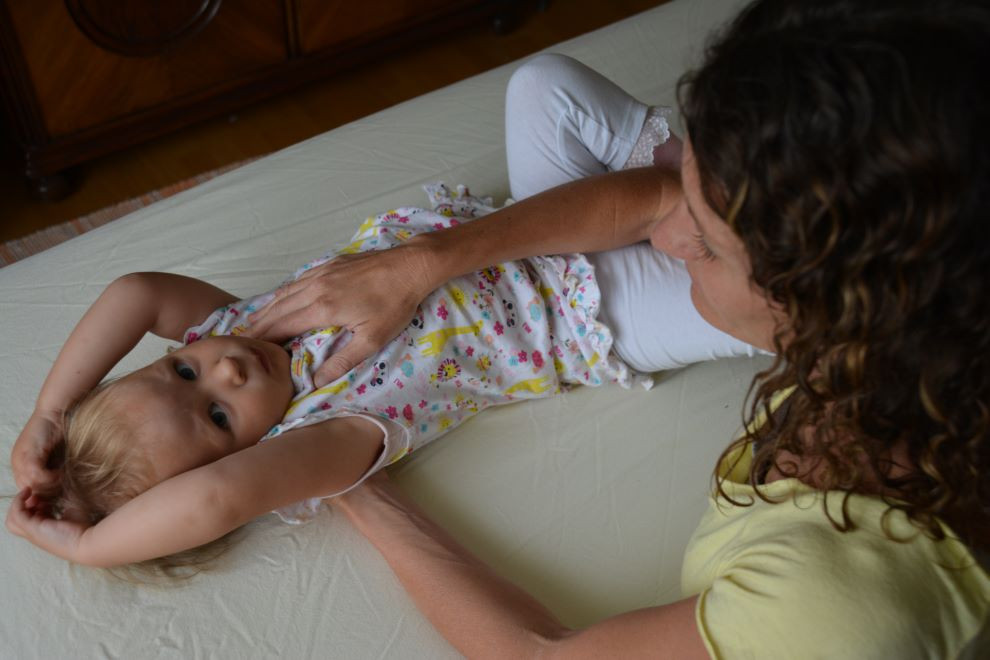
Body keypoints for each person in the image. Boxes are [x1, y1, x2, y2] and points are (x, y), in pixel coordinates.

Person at [241, 0, 990, 656]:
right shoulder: (910, 351)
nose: (668, 238)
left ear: (837, 304)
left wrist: (343, 478)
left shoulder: (842, 610)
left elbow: (538, 655)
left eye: (708, 241)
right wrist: (419, 264)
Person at [6, 174, 758, 571]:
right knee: (758, 285)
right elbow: (212, 500)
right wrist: (85, 547)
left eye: (179, 371)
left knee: (545, 85)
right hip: (585, 311)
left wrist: (51, 412)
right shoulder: (328, 431)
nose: (224, 369)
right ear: (252, 453)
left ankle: (695, 177)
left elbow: (133, 293)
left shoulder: (235, 328)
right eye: (218, 417)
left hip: (526, 223)